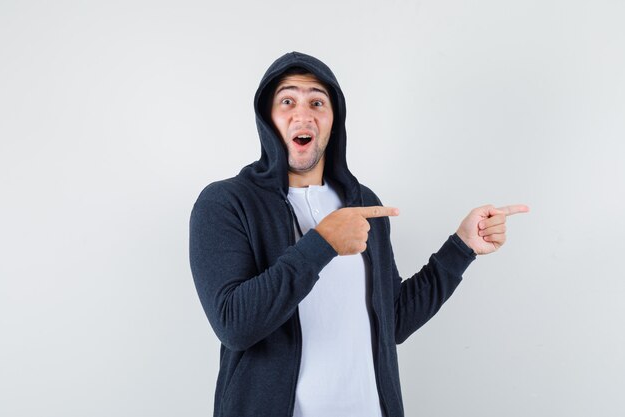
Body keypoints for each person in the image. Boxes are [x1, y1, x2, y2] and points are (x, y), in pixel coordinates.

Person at [189, 51, 528, 417]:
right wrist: (321, 244)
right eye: (287, 100)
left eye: (317, 102)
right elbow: (234, 325)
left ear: (334, 120)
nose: (302, 114)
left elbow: (393, 319)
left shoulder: (363, 203)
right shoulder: (225, 202)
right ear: (267, 118)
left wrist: (461, 247)